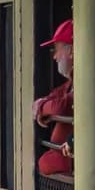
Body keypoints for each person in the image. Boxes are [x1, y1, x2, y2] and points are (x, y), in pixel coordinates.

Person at [35, 18, 75, 176]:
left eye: (56, 50)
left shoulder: (82, 78)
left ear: (70, 51)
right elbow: (52, 97)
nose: (55, 57)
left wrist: (42, 109)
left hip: (67, 160)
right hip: (65, 157)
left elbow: (62, 106)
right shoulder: (71, 81)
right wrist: (41, 106)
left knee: (44, 162)